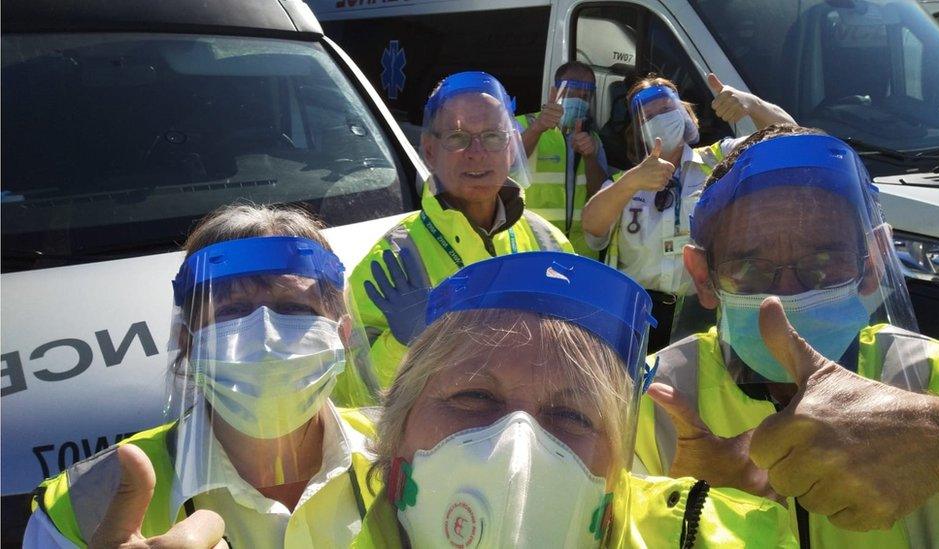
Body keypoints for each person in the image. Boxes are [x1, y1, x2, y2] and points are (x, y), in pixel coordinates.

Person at [637, 127, 939, 548]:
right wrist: (676, 511)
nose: (787, 297)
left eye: (822, 259)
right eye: (751, 265)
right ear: (703, 277)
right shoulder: (648, 404)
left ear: (871, 265)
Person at [348, 251, 797, 547]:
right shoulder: (306, 527)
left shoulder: (728, 536)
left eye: (571, 415)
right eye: (474, 396)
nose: (517, 451)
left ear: (616, 470)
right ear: (395, 430)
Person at [25, 204, 380, 548]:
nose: (266, 338)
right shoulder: (83, 507)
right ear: (188, 343)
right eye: (233, 311)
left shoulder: (403, 456)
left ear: (343, 335)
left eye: (293, 309)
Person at [339, 71, 572, 407]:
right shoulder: (391, 257)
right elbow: (352, 395)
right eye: (459, 137)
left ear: (511, 148)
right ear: (430, 151)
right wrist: (404, 345)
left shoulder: (549, 241)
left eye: (493, 136)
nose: (476, 153)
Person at [581, 74, 795, 352]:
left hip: (706, 314)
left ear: (686, 115)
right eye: (648, 116)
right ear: (639, 132)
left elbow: (792, 141)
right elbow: (591, 229)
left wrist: (752, 104)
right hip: (636, 316)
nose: (660, 117)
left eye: (667, 109)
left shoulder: (720, 159)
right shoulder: (625, 181)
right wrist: (631, 182)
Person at [516, 61, 610, 258]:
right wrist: (538, 128)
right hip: (533, 245)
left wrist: (590, 157)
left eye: (586, 94)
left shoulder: (592, 139)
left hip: (580, 253)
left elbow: (603, 195)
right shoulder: (524, 124)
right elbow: (508, 165)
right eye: (573, 90)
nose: (580, 98)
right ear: (555, 90)